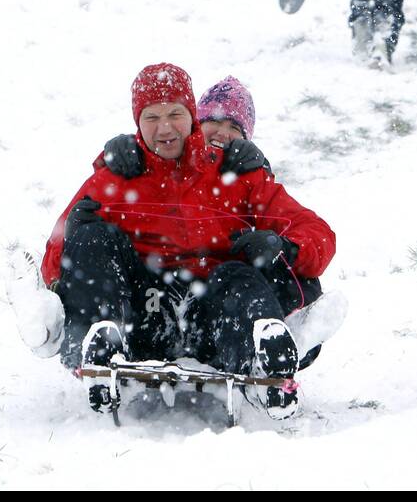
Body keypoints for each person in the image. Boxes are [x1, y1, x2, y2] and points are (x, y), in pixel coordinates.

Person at [44, 63, 336, 417]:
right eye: (152, 117)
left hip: (215, 319)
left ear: (190, 116)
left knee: (237, 273)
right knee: (90, 234)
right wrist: (77, 233)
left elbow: (316, 232)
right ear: (138, 122)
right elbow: (55, 253)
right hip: (143, 313)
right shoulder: (120, 174)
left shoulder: (237, 172)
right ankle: (101, 348)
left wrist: (285, 247)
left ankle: (263, 364)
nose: (165, 128)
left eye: (175, 115)